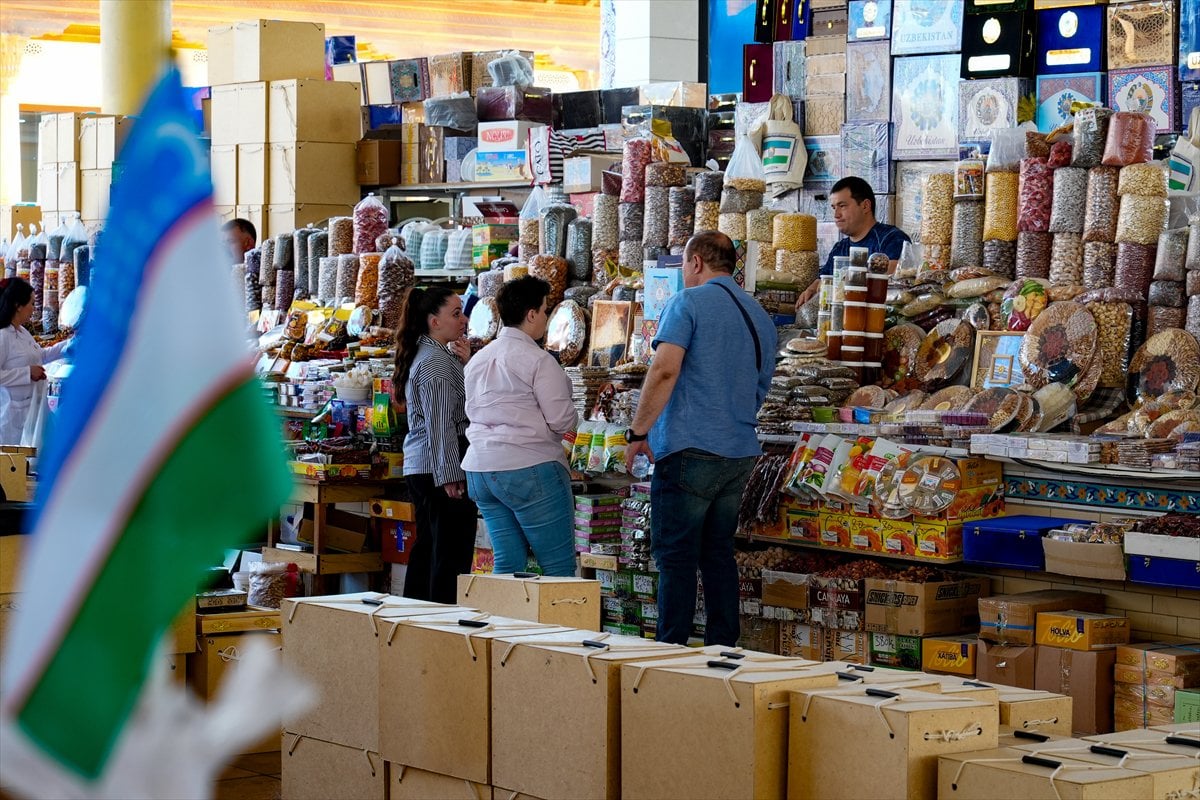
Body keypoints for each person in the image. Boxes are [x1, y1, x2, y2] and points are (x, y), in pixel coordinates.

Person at [623, 231, 776, 646]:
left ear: (695, 263)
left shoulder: (686, 303)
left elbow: (664, 370)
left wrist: (638, 432)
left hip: (690, 450)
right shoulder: (759, 315)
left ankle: (669, 653)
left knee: (676, 557)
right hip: (739, 453)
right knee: (717, 554)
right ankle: (723, 651)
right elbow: (761, 387)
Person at [462, 276, 578, 576]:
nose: (546, 318)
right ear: (532, 315)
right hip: (529, 467)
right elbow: (562, 420)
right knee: (558, 569)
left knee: (507, 563)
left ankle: (503, 610)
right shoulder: (539, 361)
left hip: (480, 470)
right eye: (545, 310)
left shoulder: (478, 360)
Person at [393, 286, 476, 603]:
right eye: (456, 313)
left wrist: (466, 364)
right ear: (434, 321)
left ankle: (417, 619)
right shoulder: (435, 363)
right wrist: (450, 474)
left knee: (430, 549)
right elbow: (440, 424)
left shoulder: (436, 356)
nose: (464, 319)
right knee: (448, 556)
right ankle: (439, 621)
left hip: (428, 466)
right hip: (438, 468)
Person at [795, 176, 911, 307]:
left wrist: (844, 283)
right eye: (834, 208)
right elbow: (823, 281)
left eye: (842, 206)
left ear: (865, 206)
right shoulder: (840, 248)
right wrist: (811, 290)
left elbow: (894, 274)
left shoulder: (892, 238)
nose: (836, 215)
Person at [0, 278, 71, 444]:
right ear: (18, 305)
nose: (34, 308)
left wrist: (68, 345)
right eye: (31, 303)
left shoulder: (22, 332)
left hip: (31, 412)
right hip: (10, 415)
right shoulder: (3, 336)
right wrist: (27, 373)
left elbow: (41, 356)